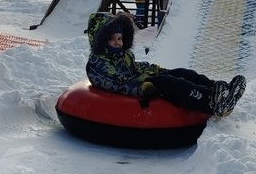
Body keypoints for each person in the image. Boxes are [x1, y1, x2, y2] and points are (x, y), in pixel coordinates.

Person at [85, 12, 245, 116]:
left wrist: (153, 69)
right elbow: (115, 84)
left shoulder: (123, 54)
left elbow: (134, 68)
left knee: (183, 73)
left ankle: (220, 91)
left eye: (119, 38)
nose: (117, 42)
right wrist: (141, 87)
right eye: (111, 39)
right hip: (140, 86)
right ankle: (209, 100)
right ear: (101, 40)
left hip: (142, 78)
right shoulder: (97, 64)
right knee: (171, 83)